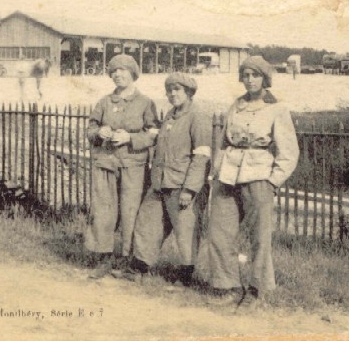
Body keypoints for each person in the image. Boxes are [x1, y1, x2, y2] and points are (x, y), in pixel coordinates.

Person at [208, 56, 299, 309]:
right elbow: (225, 141)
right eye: (246, 75)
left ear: (265, 78)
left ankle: (255, 290)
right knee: (220, 231)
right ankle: (228, 285)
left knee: (259, 236)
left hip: (259, 175)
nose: (250, 80)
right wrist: (216, 170)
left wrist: (273, 180)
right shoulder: (235, 105)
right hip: (227, 175)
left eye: (255, 75)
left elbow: (289, 151)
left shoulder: (277, 108)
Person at [120, 73, 211, 287]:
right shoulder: (171, 115)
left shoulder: (198, 117)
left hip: (182, 184)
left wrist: (190, 189)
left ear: (189, 92)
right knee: (147, 222)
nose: (172, 94)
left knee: (185, 231)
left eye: (177, 89)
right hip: (160, 182)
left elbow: (202, 155)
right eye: (169, 90)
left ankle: (185, 275)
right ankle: (138, 267)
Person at [85, 54, 160, 279]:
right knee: (103, 212)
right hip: (106, 164)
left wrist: (131, 138)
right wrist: (99, 133)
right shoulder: (104, 102)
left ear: (133, 73)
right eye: (114, 72)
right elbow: (90, 129)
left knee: (130, 212)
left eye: (123, 71)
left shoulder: (145, 103)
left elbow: (154, 133)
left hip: (133, 166)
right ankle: (103, 258)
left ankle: (127, 261)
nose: (118, 75)